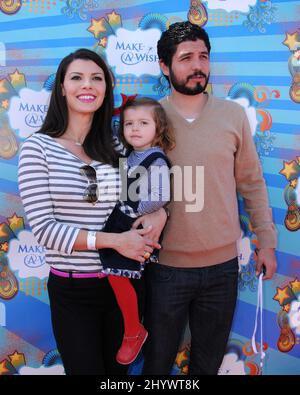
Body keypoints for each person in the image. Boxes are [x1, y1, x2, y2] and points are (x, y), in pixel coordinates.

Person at [142, 21, 277, 375]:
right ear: (164, 66)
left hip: (221, 270)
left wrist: (266, 243)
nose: (197, 65)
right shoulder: (147, 119)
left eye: (203, 56)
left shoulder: (232, 115)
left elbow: (251, 182)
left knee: (207, 364)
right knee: (157, 364)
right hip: (164, 268)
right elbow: (133, 189)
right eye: (185, 57)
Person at [18, 48, 161, 375]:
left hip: (123, 286)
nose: (88, 85)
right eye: (77, 77)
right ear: (62, 88)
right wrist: (115, 241)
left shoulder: (121, 145)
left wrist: (158, 215)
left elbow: (150, 195)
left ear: (106, 89)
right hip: (73, 293)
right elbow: (45, 230)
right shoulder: (38, 148)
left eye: (97, 78)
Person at [99, 97, 174, 365]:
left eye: (143, 123)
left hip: (132, 223)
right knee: (114, 276)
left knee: (119, 278)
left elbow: (161, 195)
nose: (134, 129)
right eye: (129, 123)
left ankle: (133, 330)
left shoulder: (156, 159)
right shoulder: (131, 154)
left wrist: (136, 208)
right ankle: (130, 326)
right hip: (118, 221)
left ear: (159, 127)